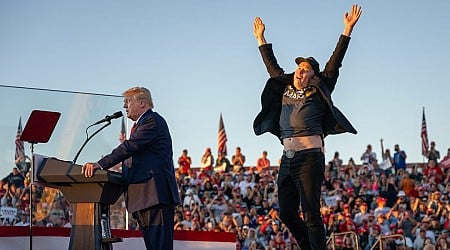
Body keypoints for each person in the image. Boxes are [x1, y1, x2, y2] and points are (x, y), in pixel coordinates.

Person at [252, 4, 362, 250]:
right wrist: (261, 38)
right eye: (299, 68)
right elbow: (271, 66)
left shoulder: (319, 88)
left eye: (306, 70)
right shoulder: (284, 86)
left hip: (310, 157)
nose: (300, 72)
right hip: (287, 158)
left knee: (311, 213)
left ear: (313, 75)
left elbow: (335, 62)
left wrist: (347, 30)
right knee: (286, 213)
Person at [82, 86, 180, 250]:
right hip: (144, 197)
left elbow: (129, 147)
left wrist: (100, 164)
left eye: (128, 101)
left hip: (154, 195)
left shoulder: (152, 121)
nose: (124, 106)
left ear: (142, 103)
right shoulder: (141, 124)